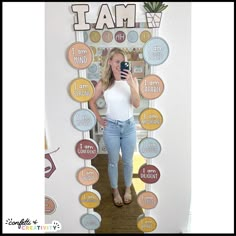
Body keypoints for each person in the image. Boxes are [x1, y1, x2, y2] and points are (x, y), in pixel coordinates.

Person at [89, 48, 140, 207]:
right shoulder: (104, 83)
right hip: (111, 128)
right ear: (110, 62)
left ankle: (127, 189)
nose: (119, 65)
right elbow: (92, 101)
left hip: (129, 127)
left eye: (122, 62)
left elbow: (136, 104)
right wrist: (99, 119)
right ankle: (115, 191)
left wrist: (131, 85)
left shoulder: (132, 80)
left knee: (128, 162)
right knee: (112, 162)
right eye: (117, 61)